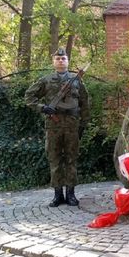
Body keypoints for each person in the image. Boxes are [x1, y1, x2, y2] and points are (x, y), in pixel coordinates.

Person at [25, 48, 90, 207]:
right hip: (53, 125)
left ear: (68, 62)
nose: (61, 61)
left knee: (71, 158)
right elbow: (29, 97)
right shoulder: (46, 80)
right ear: (53, 62)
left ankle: (71, 194)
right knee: (54, 158)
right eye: (58, 58)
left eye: (64, 58)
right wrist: (42, 107)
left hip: (72, 125)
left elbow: (85, 104)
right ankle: (57, 195)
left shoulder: (77, 81)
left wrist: (83, 124)